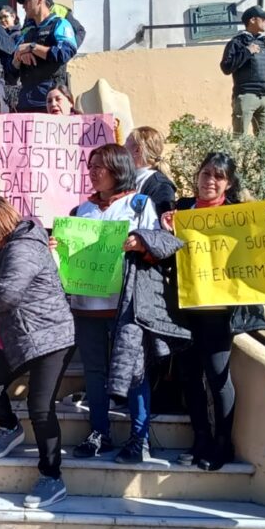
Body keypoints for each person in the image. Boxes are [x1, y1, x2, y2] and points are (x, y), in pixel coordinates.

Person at [160, 152, 265, 471]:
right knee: (190, 376)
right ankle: (201, 438)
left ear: (228, 183)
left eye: (218, 176)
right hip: (185, 308)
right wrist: (166, 231)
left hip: (220, 312)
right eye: (206, 173)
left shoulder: (238, 213)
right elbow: (167, 254)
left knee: (218, 377)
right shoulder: (181, 210)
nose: (210, 180)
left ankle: (224, 443)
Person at [0, 197, 75, 509]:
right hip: (21, 337)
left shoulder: (22, 247)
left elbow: (6, 294)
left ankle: (52, 477)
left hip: (51, 337)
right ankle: (9, 427)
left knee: (41, 407)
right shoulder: (15, 245)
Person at [59, 144, 159, 463]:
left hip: (125, 307)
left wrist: (141, 243)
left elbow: (157, 249)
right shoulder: (80, 211)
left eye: (100, 165)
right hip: (86, 305)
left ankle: (139, 438)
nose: (93, 170)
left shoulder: (140, 205)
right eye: (90, 165)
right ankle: (99, 432)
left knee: (133, 372)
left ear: (118, 168)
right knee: (94, 372)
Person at [13, 0, 78, 113]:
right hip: (26, 101)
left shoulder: (60, 24)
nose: (24, 6)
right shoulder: (26, 31)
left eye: (26, 1)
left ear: (40, 0)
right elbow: (11, 65)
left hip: (50, 102)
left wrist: (32, 47)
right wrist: (20, 55)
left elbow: (64, 53)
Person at [220, 5, 265, 136]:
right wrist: (247, 51)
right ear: (252, 20)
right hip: (246, 95)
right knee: (239, 137)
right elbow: (226, 67)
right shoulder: (237, 42)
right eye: (264, 18)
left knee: (264, 142)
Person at [124, 126, 177, 215]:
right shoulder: (128, 179)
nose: (122, 147)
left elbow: (164, 222)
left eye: (125, 144)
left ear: (137, 150)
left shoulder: (160, 186)